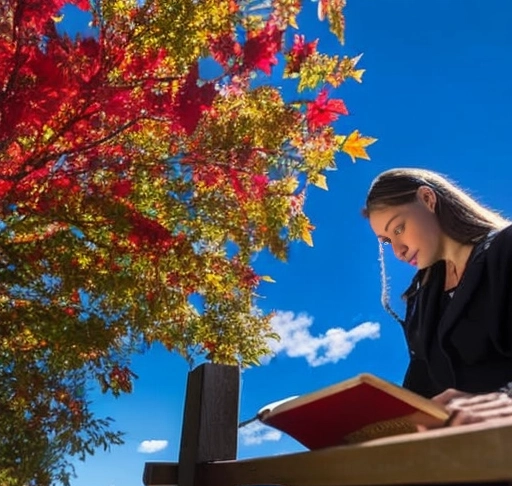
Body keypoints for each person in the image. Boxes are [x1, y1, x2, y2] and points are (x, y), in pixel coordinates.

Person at [364, 168, 512, 426]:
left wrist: (506, 401)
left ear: (428, 199)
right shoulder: (420, 300)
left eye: (398, 228)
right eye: (387, 241)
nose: (398, 251)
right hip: (464, 458)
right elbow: (420, 391)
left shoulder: (505, 250)